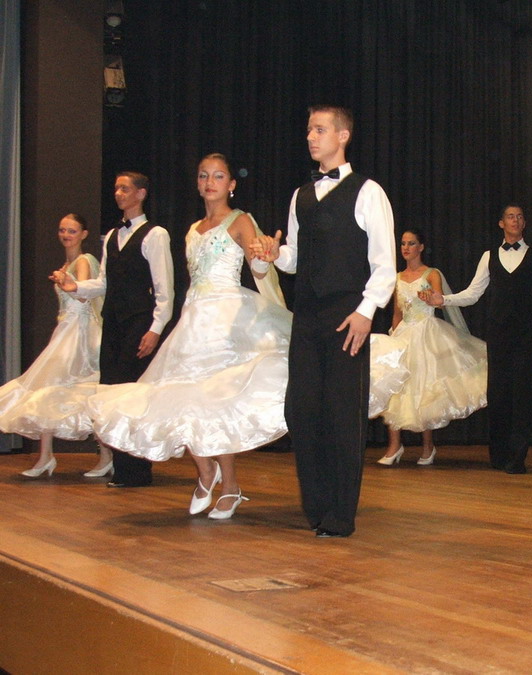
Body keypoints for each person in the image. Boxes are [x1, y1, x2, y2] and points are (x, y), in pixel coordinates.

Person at [87, 154, 290, 519]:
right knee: (183, 399)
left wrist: (264, 255)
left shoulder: (240, 220)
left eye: (218, 176)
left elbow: (259, 269)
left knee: (214, 403)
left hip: (224, 320)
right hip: (193, 319)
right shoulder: (193, 228)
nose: (209, 182)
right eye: (203, 176)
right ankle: (206, 471)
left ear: (231, 184)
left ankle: (230, 485)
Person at [252, 105, 396, 537]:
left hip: (348, 315)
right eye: (309, 130)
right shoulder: (301, 195)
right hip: (308, 317)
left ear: (343, 135)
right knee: (302, 410)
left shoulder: (369, 192)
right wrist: (276, 255)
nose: (311, 137)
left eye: (319, 130)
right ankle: (315, 506)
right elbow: (296, 258)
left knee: (342, 415)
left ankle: (340, 515)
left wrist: (366, 312)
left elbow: (384, 264)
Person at [53, 173, 174, 487]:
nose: (118, 193)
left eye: (125, 188)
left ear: (141, 193)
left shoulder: (155, 234)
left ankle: (138, 470)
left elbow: (165, 289)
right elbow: (104, 283)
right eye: (117, 188)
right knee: (110, 392)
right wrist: (75, 286)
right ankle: (122, 468)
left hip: (139, 322)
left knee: (133, 394)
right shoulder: (111, 236)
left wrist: (155, 329)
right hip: (114, 323)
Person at [419, 204, 532, 474]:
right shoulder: (489, 256)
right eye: (510, 217)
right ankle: (499, 455)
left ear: (524, 223)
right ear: (501, 223)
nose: (515, 220)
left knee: (523, 397)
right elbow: (473, 293)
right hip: (498, 336)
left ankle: (517, 459)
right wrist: (443, 300)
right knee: (499, 395)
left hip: (527, 336)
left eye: (519, 217)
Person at [0, 214, 108, 477]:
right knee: (47, 391)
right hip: (65, 330)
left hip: (80, 334)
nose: (66, 235)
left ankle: (106, 457)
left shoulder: (83, 261)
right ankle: (45, 456)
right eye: (62, 230)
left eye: (72, 231)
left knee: (87, 392)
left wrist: (65, 282)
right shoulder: (66, 264)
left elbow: (83, 297)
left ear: (83, 234)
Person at [372, 229, 487, 466]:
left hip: (426, 332)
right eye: (403, 244)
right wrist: (393, 335)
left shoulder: (432, 273)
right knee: (394, 387)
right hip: (403, 334)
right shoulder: (397, 277)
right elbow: (397, 312)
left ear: (421, 247)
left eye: (411, 243)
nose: (406, 248)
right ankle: (394, 446)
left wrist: (431, 298)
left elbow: (440, 301)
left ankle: (428, 446)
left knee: (424, 388)